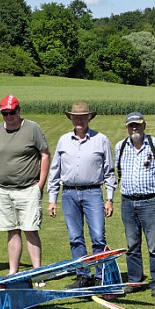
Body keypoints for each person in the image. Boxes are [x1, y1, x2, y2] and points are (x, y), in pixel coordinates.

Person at [46, 102, 114, 283]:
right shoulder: (63, 141)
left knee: (98, 237)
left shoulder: (101, 139)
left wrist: (109, 199)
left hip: (93, 193)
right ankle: (83, 275)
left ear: (89, 117)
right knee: (75, 238)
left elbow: (109, 172)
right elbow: (55, 171)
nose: (79, 121)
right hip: (69, 194)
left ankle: (100, 276)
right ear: (71, 119)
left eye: (83, 117)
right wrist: (52, 200)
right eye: (76, 117)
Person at [113, 112, 155, 297]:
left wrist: (154, 186)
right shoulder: (120, 146)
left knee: (154, 246)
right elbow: (118, 170)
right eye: (131, 125)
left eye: (137, 125)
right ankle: (135, 281)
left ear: (144, 125)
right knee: (132, 245)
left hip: (151, 202)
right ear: (126, 127)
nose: (134, 128)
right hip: (127, 202)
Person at [0, 94, 50, 274]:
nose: (9, 117)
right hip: (3, 190)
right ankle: (13, 272)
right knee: (12, 231)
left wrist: (40, 184)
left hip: (28, 189)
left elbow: (45, 154)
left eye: (12, 112)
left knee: (30, 230)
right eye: (5, 113)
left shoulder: (32, 128)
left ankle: (37, 272)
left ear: (19, 111)